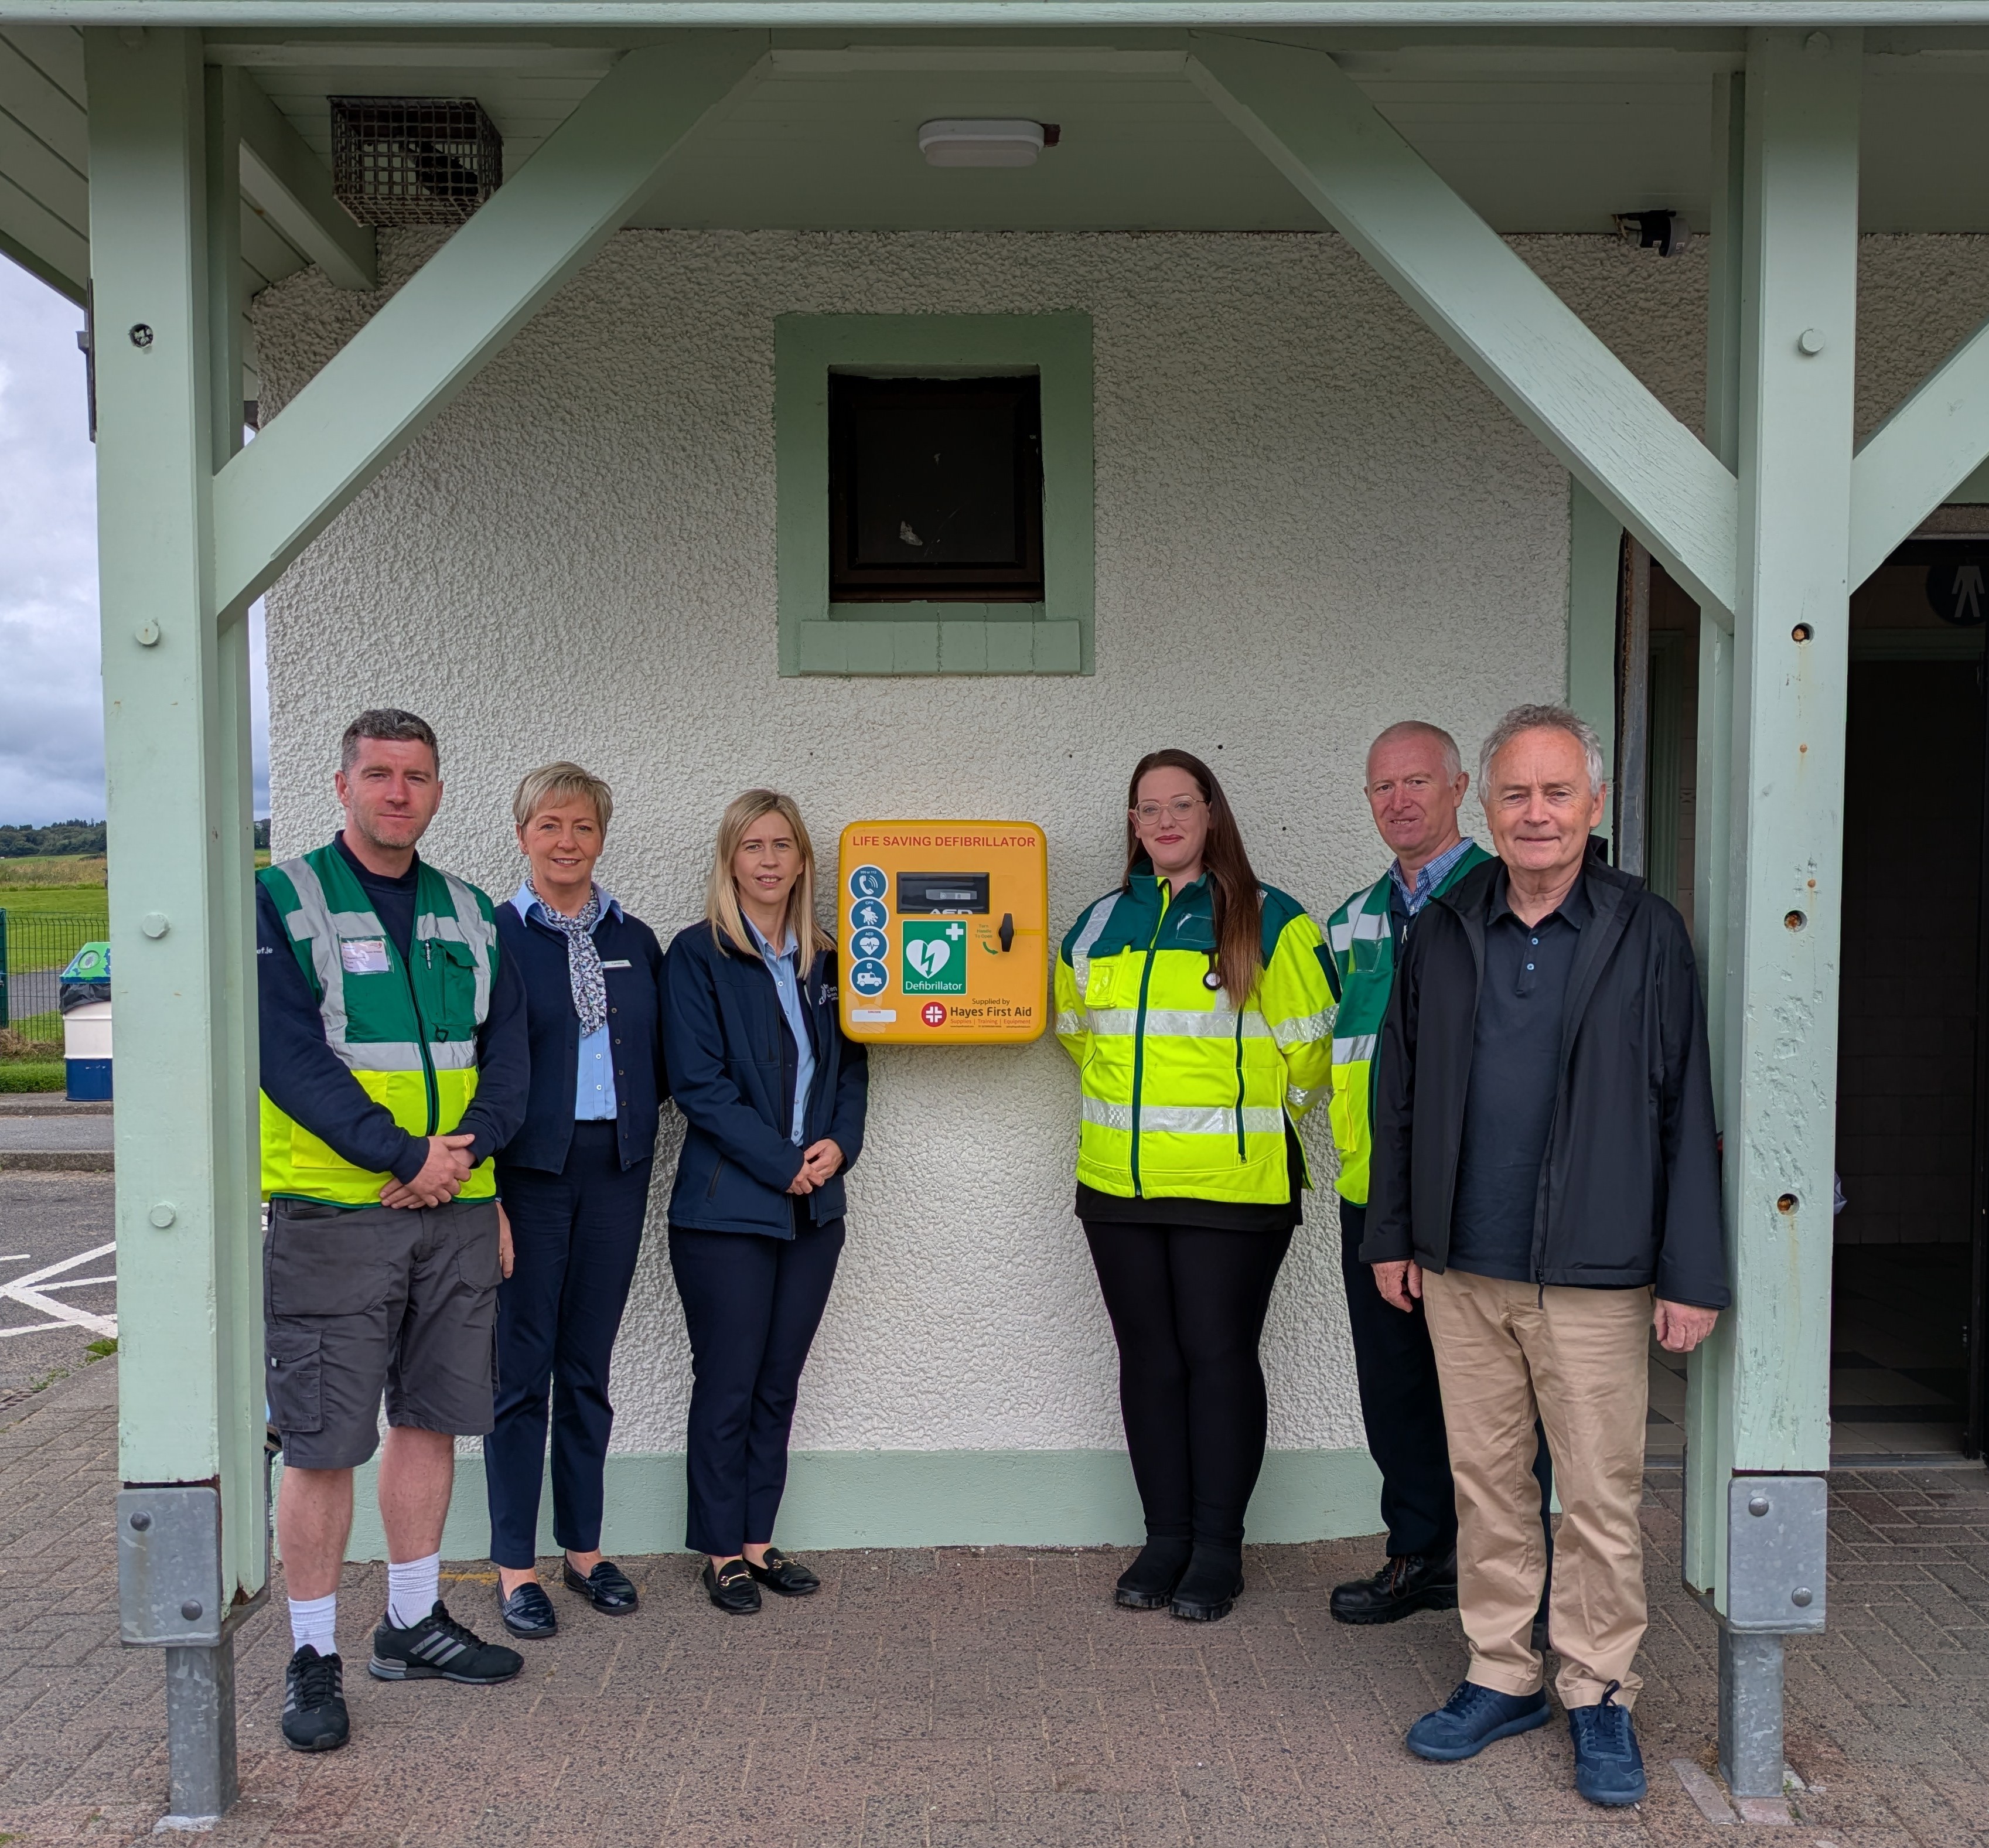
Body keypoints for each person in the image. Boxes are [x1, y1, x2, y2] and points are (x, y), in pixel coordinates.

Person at [1365, 703, 1728, 1808]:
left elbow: (1686, 1105)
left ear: (1594, 804)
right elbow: (1401, 1093)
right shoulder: (1445, 928)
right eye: (1515, 793)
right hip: (1462, 1264)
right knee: (1486, 1484)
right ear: (1485, 804)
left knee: (1602, 1495)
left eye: (1556, 792)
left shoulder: (1645, 930)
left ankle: (1599, 1689)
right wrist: (1392, 1232)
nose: (1535, 813)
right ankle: (1501, 1669)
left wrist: (1691, 1270)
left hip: (1599, 1270)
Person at [258, 710, 529, 1755]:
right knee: (325, 1437)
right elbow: (288, 1053)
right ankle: (313, 1651)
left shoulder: (470, 911)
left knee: (432, 1417)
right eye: (379, 774)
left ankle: (412, 1620)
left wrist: (458, 1156)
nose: (398, 792)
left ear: (438, 790)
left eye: (417, 776)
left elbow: (511, 1053)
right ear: (342, 787)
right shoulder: (284, 898)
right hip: (338, 1211)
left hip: (455, 1207)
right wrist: (400, 1154)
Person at [1056, 749, 1336, 1623]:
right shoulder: (1096, 924)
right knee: (1149, 1359)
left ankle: (1218, 1545)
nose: (1166, 821)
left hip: (1235, 1190)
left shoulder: (1270, 920)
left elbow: (1314, 1049)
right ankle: (1165, 1536)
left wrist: (1254, 1119)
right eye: (1150, 808)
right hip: (1118, 1184)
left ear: (1212, 813)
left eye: (1183, 804)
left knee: (1217, 1358)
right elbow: (1077, 1034)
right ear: (1133, 823)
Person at [1321, 722, 1553, 1629]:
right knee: (1397, 1387)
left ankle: (1516, 1584)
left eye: (1418, 781)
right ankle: (1420, 1553)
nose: (1400, 801)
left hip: (1478, 1195)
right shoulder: (1350, 922)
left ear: (1462, 786)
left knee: (1499, 1398)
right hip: (1375, 1195)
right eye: (1382, 788)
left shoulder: (1508, 900)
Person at [663, 790, 868, 1614]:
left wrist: (838, 1147)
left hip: (814, 1210)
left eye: (784, 844)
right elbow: (698, 1086)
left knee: (778, 1379)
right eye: (754, 845)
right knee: (729, 1378)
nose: (771, 860)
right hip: (725, 1210)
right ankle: (720, 1550)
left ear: (803, 859)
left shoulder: (828, 958)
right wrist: (781, 1161)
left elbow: (853, 1070)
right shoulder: (696, 956)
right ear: (730, 859)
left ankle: (758, 1537)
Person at [484, 763, 667, 1640]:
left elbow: (663, 1056)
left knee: (587, 1368)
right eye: (550, 825)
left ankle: (583, 1550)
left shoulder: (637, 937)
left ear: (602, 837)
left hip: (617, 1169)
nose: (567, 842)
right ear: (522, 835)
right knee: (521, 1374)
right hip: (529, 1175)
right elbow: (472, 1072)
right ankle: (515, 1565)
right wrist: (485, 1190)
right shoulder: (495, 939)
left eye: (583, 827)